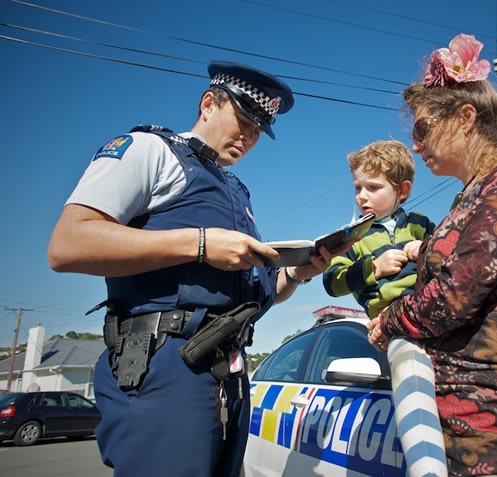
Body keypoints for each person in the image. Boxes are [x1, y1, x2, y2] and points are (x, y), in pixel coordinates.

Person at [47, 61, 344, 477]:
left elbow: (245, 295)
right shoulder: (149, 150)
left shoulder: (237, 190)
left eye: (258, 131)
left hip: (227, 376)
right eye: (243, 121)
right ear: (209, 103)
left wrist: (298, 273)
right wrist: (201, 244)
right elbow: (67, 245)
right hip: (165, 368)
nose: (249, 137)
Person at [367, 33, 497, 477]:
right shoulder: (470, 198)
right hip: (452, 423)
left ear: (465, 117)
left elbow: (453, 296)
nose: (415, 146)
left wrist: (389, 319)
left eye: (421, 129)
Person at [322, 140, 447, 476]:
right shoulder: (353, 237)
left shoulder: (421, 223)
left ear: (402, 190)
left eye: (373, 187)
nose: (362, 196)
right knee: (409, 363)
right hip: (393, 321)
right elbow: (332, 280)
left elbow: (449, 260)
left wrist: (426, 249)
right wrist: (373, 269)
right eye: (358, 188)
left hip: (436, 312)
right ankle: (426, 469)